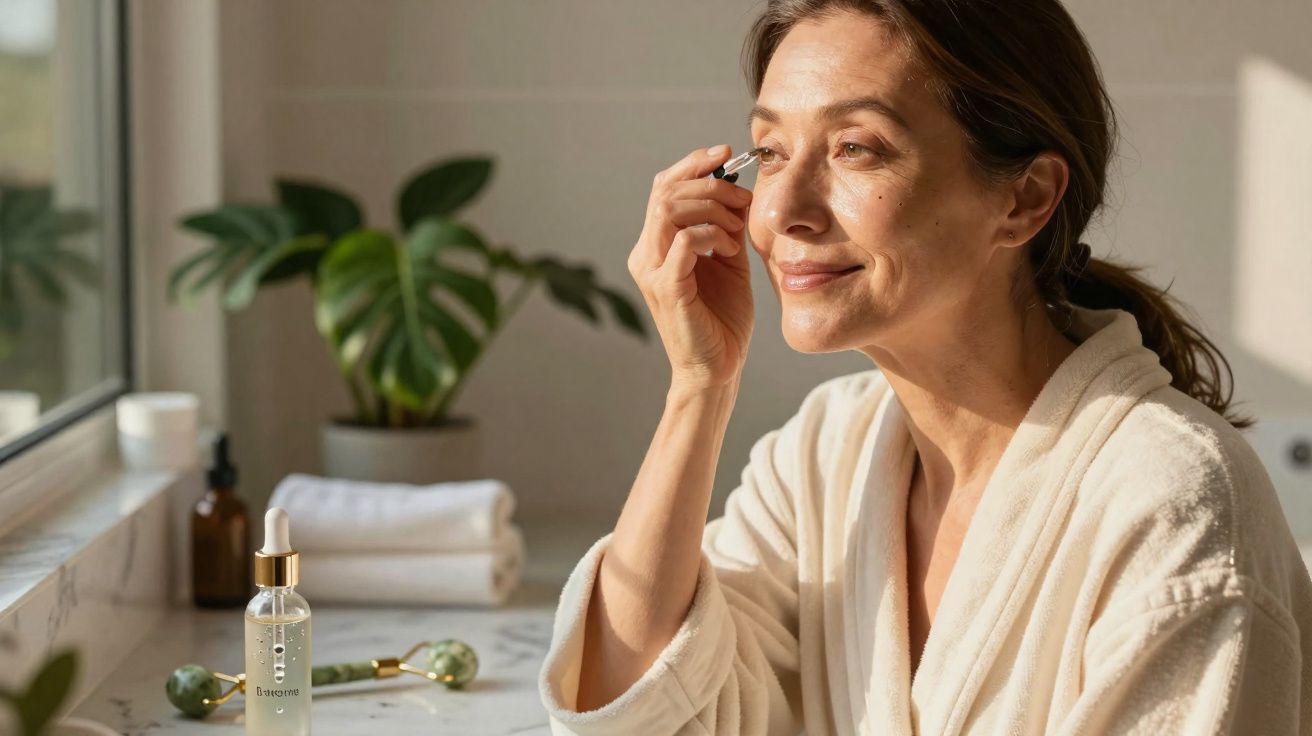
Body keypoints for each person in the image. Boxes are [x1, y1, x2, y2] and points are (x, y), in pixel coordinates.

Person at [537, 1, 1312, 733]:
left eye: (855, 148)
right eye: (769, 152)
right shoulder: (826, 453)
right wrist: (698, 390)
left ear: (1025, 198)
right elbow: (641, 710)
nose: (781, 212)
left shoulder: (1174, 505)